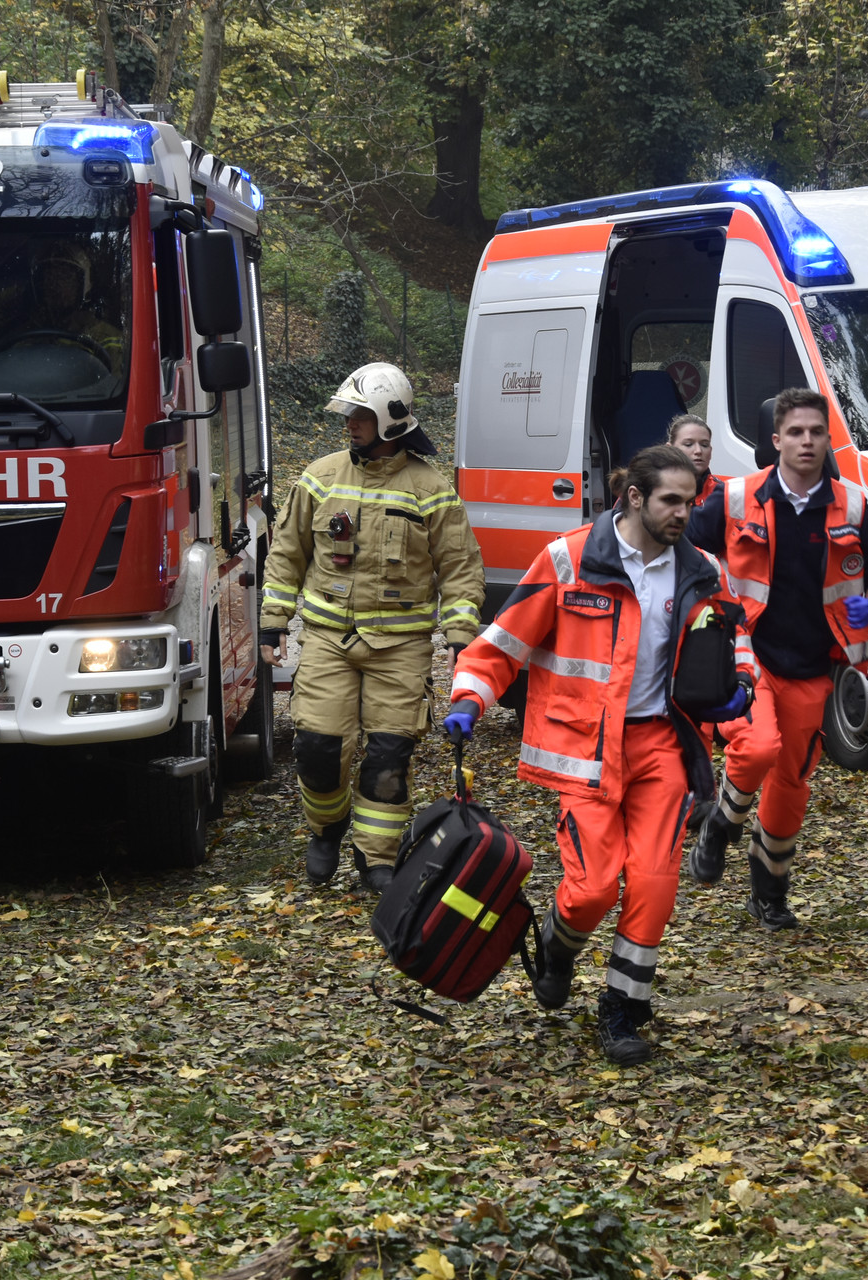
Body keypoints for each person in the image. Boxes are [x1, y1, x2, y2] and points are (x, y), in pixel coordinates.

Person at [445, 445, 756, 1063]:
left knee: (654, 882)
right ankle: (559, 946)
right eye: (671, 500)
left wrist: (740, 687)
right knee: (591, 889)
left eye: (690, 503)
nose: (683, 514)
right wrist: (469, 700)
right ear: (635, 496)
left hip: (662, 744)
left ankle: (622, 1008)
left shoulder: (702, 569)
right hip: (585, 748)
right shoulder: (570, 559)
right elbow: (502, 643)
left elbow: (733, 636)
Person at [260, 363, 484, 894]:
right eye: (348, 413)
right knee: (317, 747)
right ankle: (328, 827)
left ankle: (376, 856)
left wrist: (460, 641)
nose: (349, 423)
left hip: (400, 649)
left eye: (360, 414)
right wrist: (273, 626)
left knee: (389, 757)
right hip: (328, 641)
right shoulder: (321, 476)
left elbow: (459, 568)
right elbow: (287, 552)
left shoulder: (430, 489)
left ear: (391, 420)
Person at [685, 387, 868, 930]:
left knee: (792, 780)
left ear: (829, 440)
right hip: (746, 651)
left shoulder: (851, 505)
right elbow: (683, 550)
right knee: (756, 749)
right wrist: (705, 606)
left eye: (816, 432)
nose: (807, 441)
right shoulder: (735, 498)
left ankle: (769, 891)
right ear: (776, 441)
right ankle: (719, 826)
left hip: (813, 662)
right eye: (796, 433)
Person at [669, 413, 719, 507]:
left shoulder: (726, 492)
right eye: (688, 444)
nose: (698, 451)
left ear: (711, 451)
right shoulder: (653, 491)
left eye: (704, 445)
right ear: (670, 449)